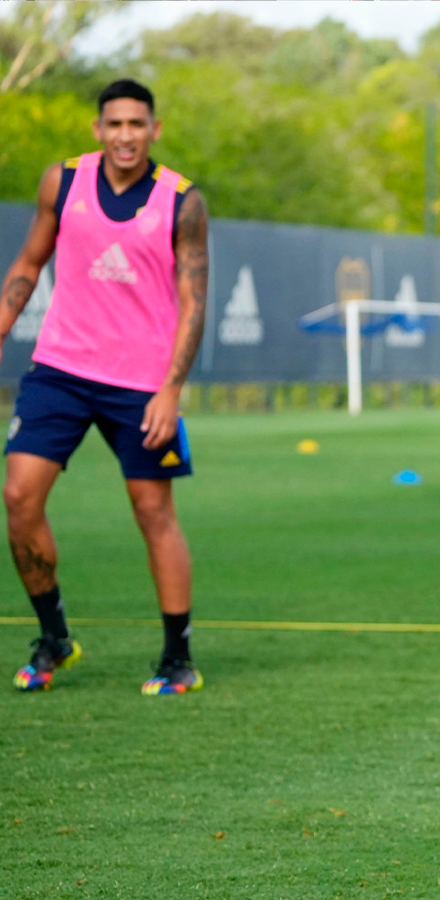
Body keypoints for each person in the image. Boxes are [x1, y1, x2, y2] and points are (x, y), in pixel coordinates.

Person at [2, 79, 208, 695]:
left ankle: (178, 658)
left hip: (141, 385)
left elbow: (194, 301)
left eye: (136, 125)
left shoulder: (181, 200)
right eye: (114, 124)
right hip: (61, 371)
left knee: (153, 513)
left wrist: (171, 389)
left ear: (154, 129)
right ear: (98, 129)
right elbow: (28, 264)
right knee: (19, 498)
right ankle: (54, 639)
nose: (125, 135)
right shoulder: (61, 183)